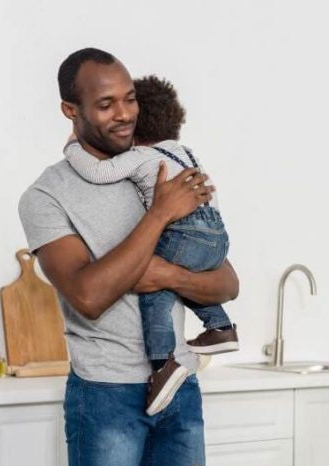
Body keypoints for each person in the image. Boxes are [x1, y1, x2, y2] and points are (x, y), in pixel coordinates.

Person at [17, 48, 238, 466]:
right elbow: (89, 296)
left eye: (130, 98)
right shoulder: (45, 197)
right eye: (105, 104)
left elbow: (225, 282)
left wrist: (163, 275)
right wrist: (160, 215)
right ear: (70, 110)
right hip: (105, 395)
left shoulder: (157, 167)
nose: (124, 114)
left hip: (177, 383)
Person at [64, 75, 238, 416]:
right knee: (182, 273)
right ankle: (220, 327)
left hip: (184, 231)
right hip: (216, 236)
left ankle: (163, 364)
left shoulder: (142, 156)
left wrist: (72, 146)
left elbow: (99, 172)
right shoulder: (186, 153)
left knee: (152, 281)